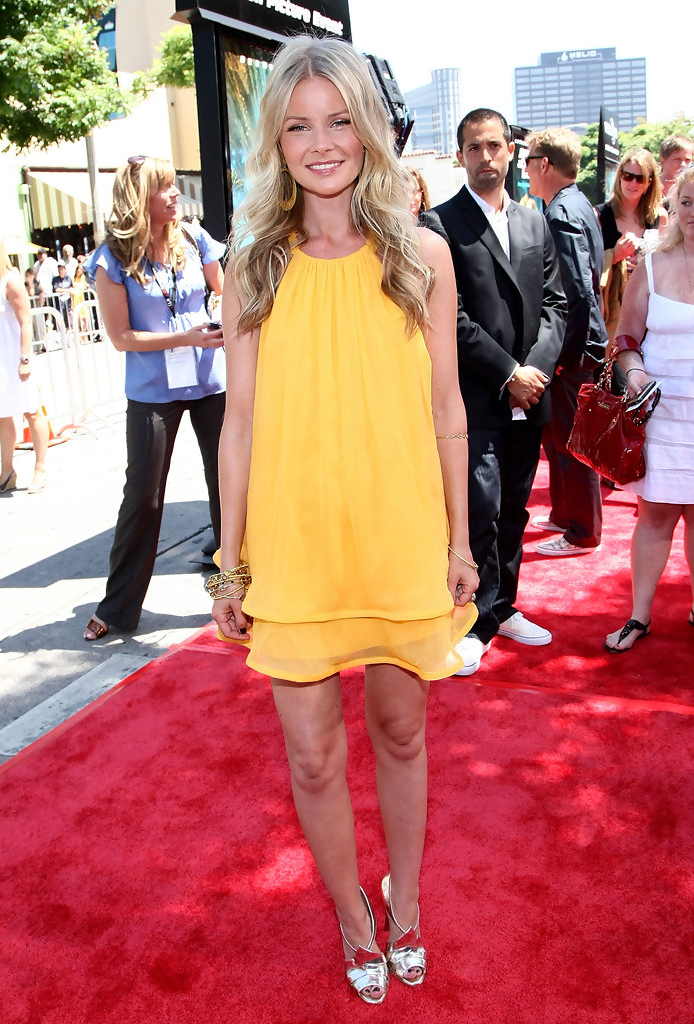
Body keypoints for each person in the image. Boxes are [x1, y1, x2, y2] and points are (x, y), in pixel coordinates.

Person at [212, 35, 478, 1004]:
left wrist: (459, 541)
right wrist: (229, 561)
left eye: (338, 121)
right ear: (275, 143)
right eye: (297, 126)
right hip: (295, 544)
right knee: (313, 753)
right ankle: (352, 915)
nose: (321, 143)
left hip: (398, 535)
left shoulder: (422, 256)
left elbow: (447, 409)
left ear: (367, 130)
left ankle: (407, 903)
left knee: (401, 735)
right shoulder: (252, 266)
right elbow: (239, 423)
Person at [433, 108, 566, 675]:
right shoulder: (441, 224)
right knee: (479, 511)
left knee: (514, 507)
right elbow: (450, 316)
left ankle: (504, 606)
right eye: (474, 147)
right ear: (460, 155)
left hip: (529, 398)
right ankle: (475, 622)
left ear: (511, 150)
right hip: (475, 397)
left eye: (494, 146)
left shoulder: (535, 222)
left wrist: (533, 373)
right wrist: (509, 373)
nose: (485, 157)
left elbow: (557, 305)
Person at [82, 155, 226, 642]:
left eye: (173, 185)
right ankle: (118, 607)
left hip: (211, 383)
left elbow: (226, 292)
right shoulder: (112, 259)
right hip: (151, 392)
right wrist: (185, 337)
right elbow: (121, 337)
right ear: (138, 198)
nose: (175, 194)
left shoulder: (195, 238)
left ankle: (240, 594)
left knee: (230, 488)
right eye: (164, 187)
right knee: (143, 496)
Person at [604, 166, 694, 652]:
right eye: (687, 202)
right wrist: (635, 373)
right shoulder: (653, 264)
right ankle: (639, 617)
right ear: (675, 206)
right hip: (662, 412)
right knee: (655, 515)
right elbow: (626, 336)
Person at [525, 127, 607, 557]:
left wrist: (564, 354)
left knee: (574, 442)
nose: (524, 170)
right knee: (561, 438)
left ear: (544, 164)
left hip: (574, 347)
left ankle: (583, 531)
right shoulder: (578, 205)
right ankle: (565, 515)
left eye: (527, 161)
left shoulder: (560, 213)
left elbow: (577, 289)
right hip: (580, 344)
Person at [0, 233, 49, 494]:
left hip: (12, 355)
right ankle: (7, 471)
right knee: (2, 414)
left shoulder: (10, 281)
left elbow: (26, 321)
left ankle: (40, 467)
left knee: (31, 410)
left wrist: (24, 359)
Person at [597, 149, 669, 344]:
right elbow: (589, 264)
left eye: (640, 178)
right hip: (612, 307)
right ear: (619, 176)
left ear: (650, 182)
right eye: (628, 176)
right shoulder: (600, 215)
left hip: (648, 303)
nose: (633, 183)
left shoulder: (660, 216)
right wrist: (615, 255)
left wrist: (646, 262)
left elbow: (666, 262)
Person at [405, 167, 445, 235]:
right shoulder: (391, 228)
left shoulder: (432, 223)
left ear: (422, 194)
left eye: (414, 191)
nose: (410, 197)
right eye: (404, 191)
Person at [659, 134, 693, 203]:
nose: (683, 165)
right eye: (677, 159)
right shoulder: (648, 190)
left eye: (687, 160)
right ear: (662, 162)